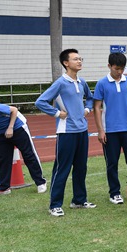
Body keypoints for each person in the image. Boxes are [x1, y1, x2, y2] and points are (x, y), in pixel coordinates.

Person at [35, 49, 95, 217]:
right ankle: (55, 205)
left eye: (80, 58)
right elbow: (40, 101)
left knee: (81, 167)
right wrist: (56, 113)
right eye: (75, 59)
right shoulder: (60, 83)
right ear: (66, 63)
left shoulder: (82, 82)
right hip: (66, 132)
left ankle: (79, 200)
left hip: (82, 130)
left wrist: (87, 109)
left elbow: (90, 98)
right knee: (62, 168)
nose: (79, 61)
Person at [93, 53, 127, 205]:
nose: (119, 72)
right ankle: (115, 193)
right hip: (110, 131)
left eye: (122, 69)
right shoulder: (102, 84)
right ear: (109, 66)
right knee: (112, 163)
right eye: (116, 68)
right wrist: (100, 130)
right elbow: (97, 107)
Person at [0, 103, 47, 196]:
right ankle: (4, 188)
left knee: (28, 154)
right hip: (1, 132)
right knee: (1, 159)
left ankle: (41, 182)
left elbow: (14, 110)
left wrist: (10, 128)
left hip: (17, 126)